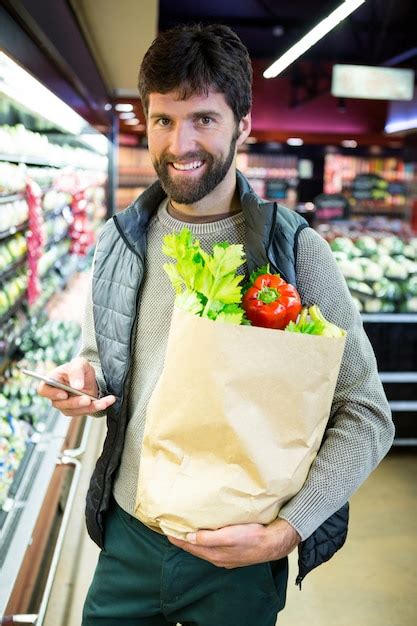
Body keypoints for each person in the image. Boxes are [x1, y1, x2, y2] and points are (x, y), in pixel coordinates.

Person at [38, 23, 394, 626]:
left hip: (240, 558)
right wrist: (84, 378)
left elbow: (366, 413)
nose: (181, 143)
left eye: (203, 118)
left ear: (243, 125)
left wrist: (286, 532)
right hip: (129, 537)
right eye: (164, 120)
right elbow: (107, 364)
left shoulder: (294, 251)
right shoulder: (117, 242)